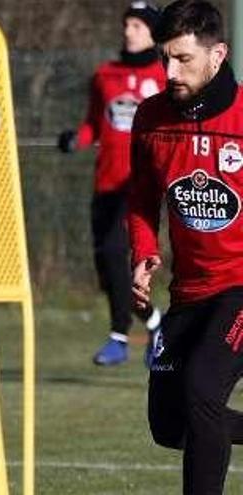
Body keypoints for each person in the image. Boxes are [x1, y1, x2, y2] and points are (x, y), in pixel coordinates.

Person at [129, 1, 243, 492]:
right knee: (169, 424)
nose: (170, 71)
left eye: (184, 60)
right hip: (187, 294)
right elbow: (141, 197)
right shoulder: (152, 118)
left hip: (240, 288)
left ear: (217, 55)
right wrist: (143, 251)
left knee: (202, 389)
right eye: (165, 59)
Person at [58, 1, 165, 366]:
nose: (128, 31)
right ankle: (154, 322)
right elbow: (94, 125)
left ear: (153, 33)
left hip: (136, 187)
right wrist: (76, 139)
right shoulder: (104, 75)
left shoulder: (165, 76)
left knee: (117, 256)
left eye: (137, 25)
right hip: (104, 185)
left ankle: (119, 336)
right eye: (127, 24)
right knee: (107, 268)